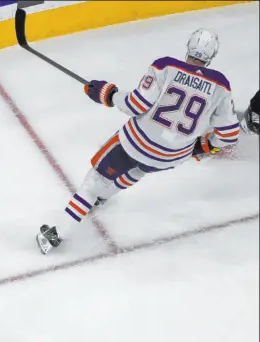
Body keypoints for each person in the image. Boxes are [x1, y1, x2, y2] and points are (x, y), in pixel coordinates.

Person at [36, 28, 240, 254]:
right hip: (170, 158)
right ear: (212, 55)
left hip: (135, 144)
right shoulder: (221, 85)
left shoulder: (166, 66)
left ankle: (56, 234)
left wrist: (107, 93)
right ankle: (102, 197)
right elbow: (228, 136)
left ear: (188, 46)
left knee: (92, 183)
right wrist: (205, 146)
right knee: (139, 170)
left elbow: (136, 105)